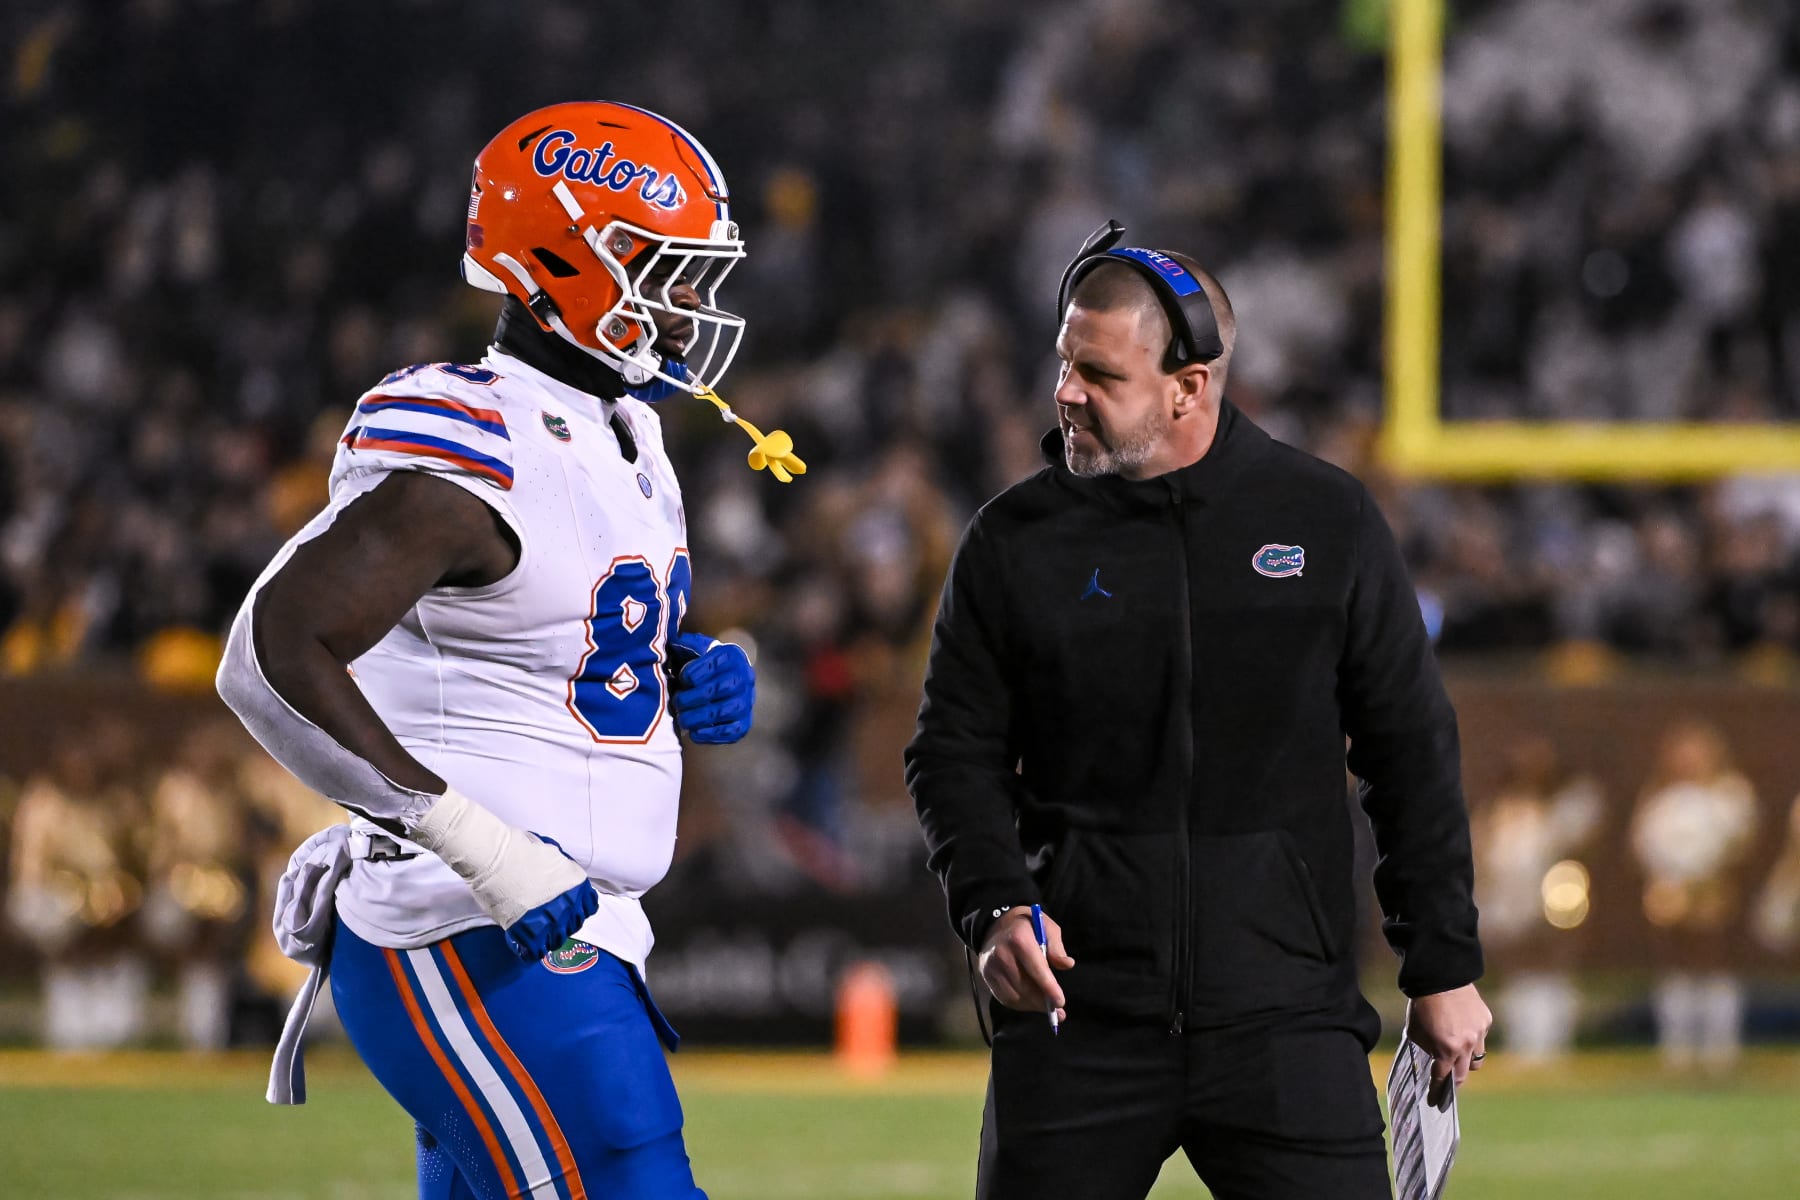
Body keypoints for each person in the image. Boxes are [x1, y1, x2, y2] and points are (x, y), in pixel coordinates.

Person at [217, 101, 768, 1200]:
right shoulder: (472, 432)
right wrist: (476, 840)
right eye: (667, 268)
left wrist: (677, 668)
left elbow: (540, 633)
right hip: (473, 929)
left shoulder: (632, 433)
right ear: (571, 262)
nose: (693, 301)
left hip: (557, 928)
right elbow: (272, 653)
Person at [905, 222, 1490, 1200]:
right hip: (1078, 1016)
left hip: (1285, 1015)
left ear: (1191, 384)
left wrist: (1442, 963)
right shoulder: (1014, 542)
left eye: (1101, 374)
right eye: (1065, 363)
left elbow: (1410, 750)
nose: (1066, 394)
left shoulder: (1325, 519)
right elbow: (952, 750)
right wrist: (997, 902)